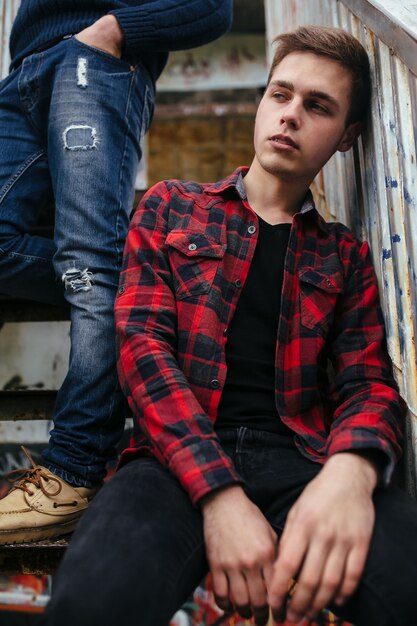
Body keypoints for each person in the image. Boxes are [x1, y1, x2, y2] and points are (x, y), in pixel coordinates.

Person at [41, 25, 417, 626]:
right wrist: (218, 493)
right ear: (263, 102)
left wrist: (352, 471)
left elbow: (367, 384)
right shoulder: (171, 206)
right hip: (169, 462)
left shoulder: (344, 255)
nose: (290, 115)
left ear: (348, 138)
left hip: (305, 463)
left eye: (317, 106)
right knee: (90, 604)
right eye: (280, 94)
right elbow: (142, 351)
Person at [0, 0, 233, 544]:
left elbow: (212, 8)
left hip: (94, 62)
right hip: (24, 75)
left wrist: (115, 30)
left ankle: (74, 471)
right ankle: (147, 285)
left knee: (90, 261)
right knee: (90, 268)